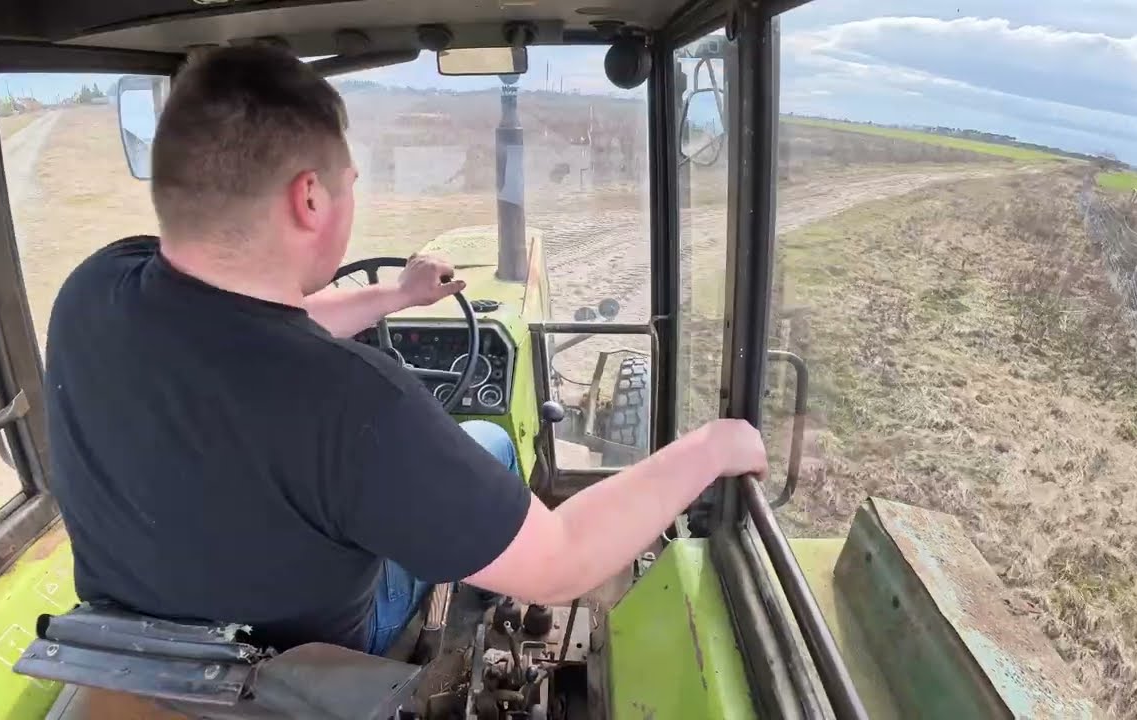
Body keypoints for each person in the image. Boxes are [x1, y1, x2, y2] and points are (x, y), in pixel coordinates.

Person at [45, 44, 767, 657]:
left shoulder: (94, 287)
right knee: (486, 440)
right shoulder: (356, 404)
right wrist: (710, 446)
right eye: (349, 185)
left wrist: (394, 296)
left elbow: (247, 329)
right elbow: (565, 563)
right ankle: (478, 634)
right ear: (310, 200)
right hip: (297, 664)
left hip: (132, 642)